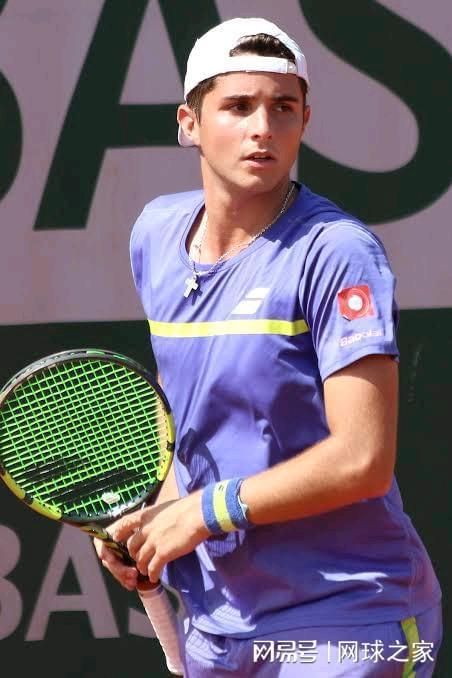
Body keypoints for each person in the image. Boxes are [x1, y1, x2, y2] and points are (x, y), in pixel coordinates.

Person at [95, 17, 442, 676]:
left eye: (283, 108)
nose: (263, 128)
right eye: (238, 106)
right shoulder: (156, 234)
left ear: (304, 121)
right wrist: (156, 519)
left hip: (348, 615)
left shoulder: (338, 252)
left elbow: (363, 458)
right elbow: (188, 409)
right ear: (189, 123)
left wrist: (206, 512)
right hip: (219, 621)